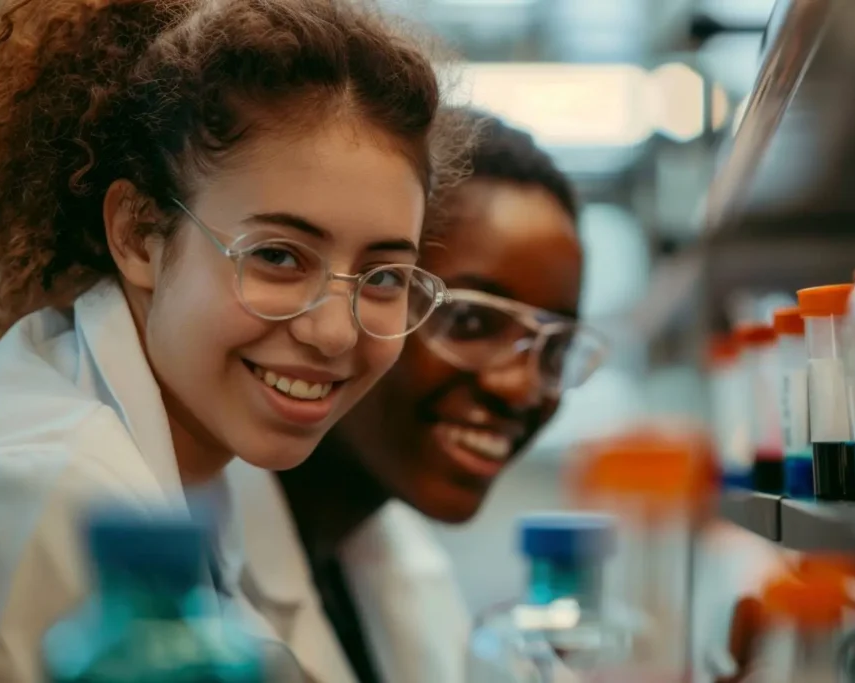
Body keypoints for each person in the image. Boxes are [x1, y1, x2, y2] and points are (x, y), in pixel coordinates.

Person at [0, 0, 467, 680]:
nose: (333, 332)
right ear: (137, 233)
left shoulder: (218, 453)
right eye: (279, 257)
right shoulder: (42, 489)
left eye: (383, 275)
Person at [227, 111, 606, 683]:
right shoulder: (181, 537)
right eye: (472, 321)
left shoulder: (391, 566)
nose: (523, 387)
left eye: (553, 350)